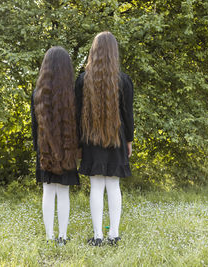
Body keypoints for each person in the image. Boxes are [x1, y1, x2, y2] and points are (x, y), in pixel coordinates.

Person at [75, 32, 134, 246]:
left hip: (91, 138)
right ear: (113, 52)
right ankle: (114, 235)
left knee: (97, 186)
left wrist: (78, 145)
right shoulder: (123, 80)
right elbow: (128, 115)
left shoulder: (83, 79)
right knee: (113, 186)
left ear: (94, 51)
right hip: (116, 137)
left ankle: (98, 236)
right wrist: (129, 140)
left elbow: (77, 115)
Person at [31, 46, 79, 245]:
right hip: (67, 149)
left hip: (45, 150)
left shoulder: (37, 93)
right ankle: (63, 236)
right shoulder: (73, 93)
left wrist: (38, 149)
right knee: (63, 192)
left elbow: (35, 127)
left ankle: (50, 235)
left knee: (48, 192)